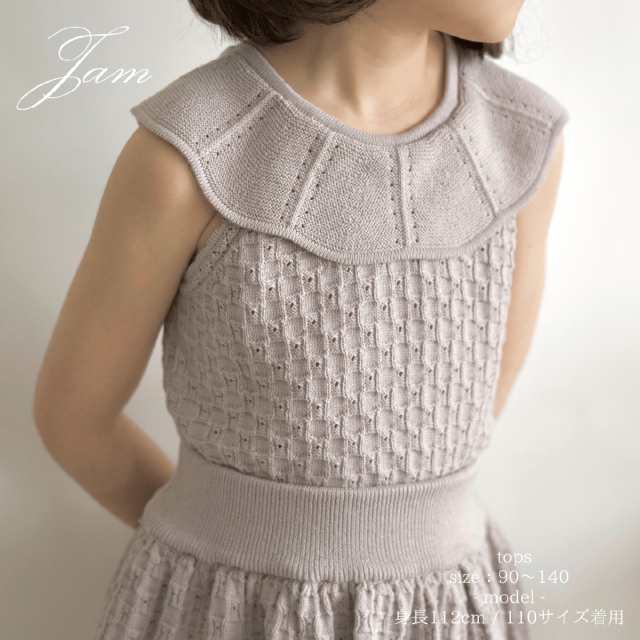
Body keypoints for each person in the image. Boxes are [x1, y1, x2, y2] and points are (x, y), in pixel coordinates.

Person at [33, 1, 568, 638]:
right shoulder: (190, 154)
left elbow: (474, 409)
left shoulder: (521, 141)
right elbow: (76, 418)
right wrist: (221, 539)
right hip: (225, 612)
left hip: (445, 611)